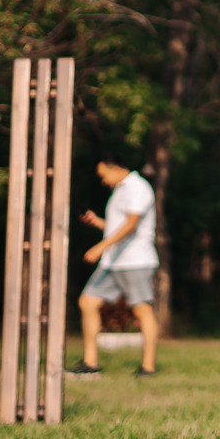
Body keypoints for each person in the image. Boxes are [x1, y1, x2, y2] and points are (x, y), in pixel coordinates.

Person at [67, 159, 161, 379]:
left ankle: (148, 367)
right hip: (113, 261)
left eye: (104, 174)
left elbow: (131, 225)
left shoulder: (138, 187)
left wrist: (100, 247)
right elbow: (117, 226)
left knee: (141, 309)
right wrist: (98, 223)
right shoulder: (119, 190)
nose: (103, 180)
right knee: (88, 302)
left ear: (116, 167)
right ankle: (91, 363)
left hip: (135, 260)